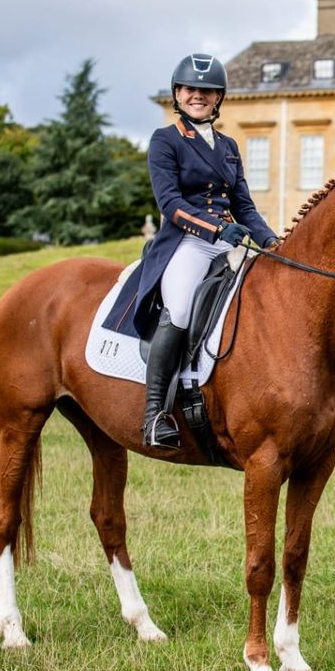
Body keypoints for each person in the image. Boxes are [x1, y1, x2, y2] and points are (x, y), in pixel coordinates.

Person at [102, 53, 279, 449]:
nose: (197, 96)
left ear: (219, 98)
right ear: (177, 95)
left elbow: (244, 205)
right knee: (179, 308)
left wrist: (270, 241)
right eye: (190, 90)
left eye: (206, 91)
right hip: (186, 242)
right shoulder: (165, 140)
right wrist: (217, 227)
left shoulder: (229, 147)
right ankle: (155, 414)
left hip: (229, 240)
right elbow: (171, 205)